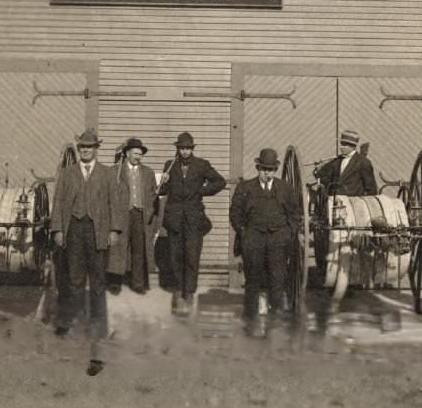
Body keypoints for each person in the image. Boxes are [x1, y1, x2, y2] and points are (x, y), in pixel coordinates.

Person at [50, 129, 124, 340]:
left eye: (89, 147)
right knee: (74, 281)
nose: (85, 151)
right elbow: (58, 203)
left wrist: (114, 230)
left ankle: (99, 328)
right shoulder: (67, 173)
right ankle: (73, 324)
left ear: (96, 149)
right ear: (78, 149)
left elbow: (115, 204)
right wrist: (58, 230)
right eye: (82, 147)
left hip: (98, 232)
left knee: (98, 282)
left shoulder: (107, 173)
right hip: (73, 231)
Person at [230, 148, 300, 331]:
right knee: (253, 280)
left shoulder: (285, 189)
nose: (266, 173)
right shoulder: (245, 188)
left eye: (270, 169)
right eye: (263, 169)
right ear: (257, 168)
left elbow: (295, 214)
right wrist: (244, 232)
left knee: (277, 279)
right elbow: (235, 214)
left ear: (275, 170)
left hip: (278, 240)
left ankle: (275, 320)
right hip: (253, 239)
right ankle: (250, 319)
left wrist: (287, 234)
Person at [158, 131, 226, 314]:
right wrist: (163, 182)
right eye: (182, 148)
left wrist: (202, 191)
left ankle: (189, 294)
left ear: (192, 149)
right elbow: (161, 192)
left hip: (194, 219)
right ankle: (179, 292)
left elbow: (220, 182)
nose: (185, 151)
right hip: (174, 219)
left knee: (192, 257)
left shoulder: (202, 165)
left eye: (188, 148)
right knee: (175, 257)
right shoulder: (169, 165)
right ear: (178, 149)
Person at [107, 137, 159, 295]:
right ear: (127, 153)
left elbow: (153, 193)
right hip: (122, 215)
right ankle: (115, 283)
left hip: (140, 215)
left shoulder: (148, 172)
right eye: (135, 153)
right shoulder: (115, 172)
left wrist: (151, 211)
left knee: (139, 250)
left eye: (140, 154)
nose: (138, 157)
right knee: (118, 248)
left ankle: (138, 284)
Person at [314, 129, 378, 196]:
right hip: (334, 202)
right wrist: (318, 168)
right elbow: (323, 179)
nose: (341, 147)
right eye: (341, 144)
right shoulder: (337, 161)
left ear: (353, 146)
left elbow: (371, 188)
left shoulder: (363, 162)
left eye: (344, 145)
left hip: (353, 203)